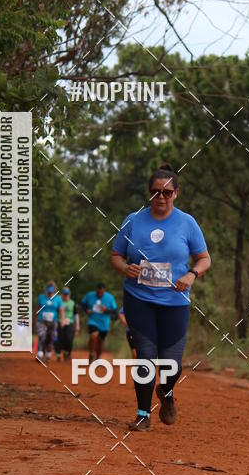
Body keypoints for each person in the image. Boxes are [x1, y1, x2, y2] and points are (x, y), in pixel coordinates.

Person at [110, 163, 211, 431]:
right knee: (145, 355)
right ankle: (143, 414)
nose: (161, 198)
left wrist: (191, 275)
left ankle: (165, 392)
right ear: (149, 193)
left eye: (167, 192)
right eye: (156, 192)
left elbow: (204, 258)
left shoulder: (187, 223)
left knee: (171, 365)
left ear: (176, 193)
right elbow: (116, 256)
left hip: (175, 302)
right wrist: (125, 267)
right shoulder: (133, 220)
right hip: (138, 298)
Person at [81, 283, 117, 363]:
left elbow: (114, 310)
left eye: (101, 292)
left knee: (101, 341)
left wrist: (106, 310)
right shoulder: (89, 295)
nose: (99, 294)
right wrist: (86, 309)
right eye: (98, 292)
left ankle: (98, 357)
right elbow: (83, 304)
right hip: (92, 320)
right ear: (96, 290)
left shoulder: (110, 297)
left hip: (104, 323)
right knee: (93, 335)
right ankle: (91, 354)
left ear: (104, 291)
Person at [35, 281, 64, 363]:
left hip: (53, 322)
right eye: (48, 292)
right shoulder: (41, 297)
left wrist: (62, 320)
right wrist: (34, 319)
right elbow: (37, 309)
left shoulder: (58, 299)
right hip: (41, 321)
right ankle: (40, 353)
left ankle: (48, 354)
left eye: (51, 292)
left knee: (51, 337)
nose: (50, 294)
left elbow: (61, 310)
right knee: (42, 335)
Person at [57, 287, 80, 361]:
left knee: (69, 339)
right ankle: (59, 353)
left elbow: (76, 315)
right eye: (64, 294)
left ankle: (68, 353)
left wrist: (77, 326)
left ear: (69, 294)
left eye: (67, 294)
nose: (66, 295)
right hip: (60, 322)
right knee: (60, 339)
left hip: (70, 323)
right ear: (62, 294)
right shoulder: (59, 302)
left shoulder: (72, 303)